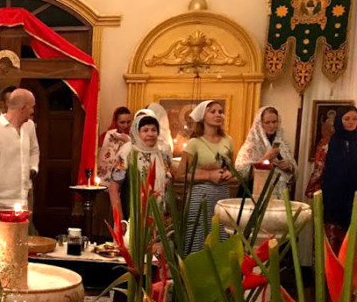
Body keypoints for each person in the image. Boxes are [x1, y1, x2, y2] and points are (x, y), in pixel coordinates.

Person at [0, 88, 40, 249]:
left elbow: (34, 151)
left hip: (20, 201)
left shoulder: (28, 127)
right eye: (32, 107)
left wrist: (32, 169)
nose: (33, 111)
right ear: (23, 107)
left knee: (17, 250)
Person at [174, 100, 234, 255]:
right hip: (200, 196)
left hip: (222, 195)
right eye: (212, 111)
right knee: (198, 238)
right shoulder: (194, 143)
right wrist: (208, 175)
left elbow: (232, 168)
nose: (218, 115)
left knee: (220, 237)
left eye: (220, 112)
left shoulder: (228, 140)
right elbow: (180, 175)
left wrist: (229, 173)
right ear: (203, 117)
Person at [107, 110, 173, 218]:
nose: (150, 134)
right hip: (134, 214)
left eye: (154, 130)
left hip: (159, 214)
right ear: (137, 133)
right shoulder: (128, 152)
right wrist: (120, 220)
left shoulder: (161, 152)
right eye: (145, 130)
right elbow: (114, 188)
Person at [235, 106, 296, 199]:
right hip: (256, 193)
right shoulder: (252, 144)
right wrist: (266, 158)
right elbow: (241, 172)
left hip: (279, 193)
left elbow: (294, 170)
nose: (271, 126)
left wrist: (289, 167)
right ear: (260, 123)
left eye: (274, 122)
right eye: (267, 122)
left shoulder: (282, 143)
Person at [320, 106, 357, 251]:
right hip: (334, 196)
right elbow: (322, 169)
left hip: (355, 195)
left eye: (355, 119)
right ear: (339, 120)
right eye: (347, 119)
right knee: (335, 241)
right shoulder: (330, 142)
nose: (351, 122)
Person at [96, 106, 133, 181]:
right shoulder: (105, 136)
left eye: (128, 122)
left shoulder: (134, 137)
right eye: (122, 122)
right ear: (115, 122)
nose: (126, 125)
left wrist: (129, 142)